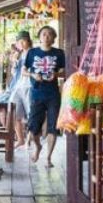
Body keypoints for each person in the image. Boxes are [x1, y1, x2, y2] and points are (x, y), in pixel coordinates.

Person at [23, 26, 66, 167]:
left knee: (53, 127)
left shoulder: (59, 53)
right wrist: (33, 74)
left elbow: (65, 71)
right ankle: (38, 147)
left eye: (49, 35)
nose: (46, 37)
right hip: (37, 93)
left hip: (53, 94)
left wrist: (57, 75)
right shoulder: (32, 52)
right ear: (39, 37)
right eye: (43, 34)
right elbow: (24, 71)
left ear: (54, 38)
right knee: (33, 127)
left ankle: (48, 157)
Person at [7, 31, 33, 147]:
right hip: (18, 87)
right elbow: (14, 73)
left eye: (23, 40)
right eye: (19, 41)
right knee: (13, 112)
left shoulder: (33, 53)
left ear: (28, 41)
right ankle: (20, 139)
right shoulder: (19, 55)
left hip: (29, 86)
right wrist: (15, 62)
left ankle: (29, 139)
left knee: (31, 114)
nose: (21, 43)